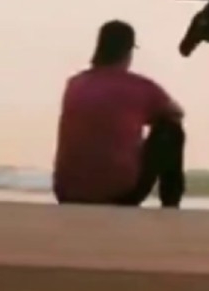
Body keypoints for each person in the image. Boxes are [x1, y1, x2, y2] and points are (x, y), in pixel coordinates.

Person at [52, 20, 188, 208]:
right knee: (170, 129)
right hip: (119, 195)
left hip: (68, 194)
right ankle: (171, 204)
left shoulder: (75, 84)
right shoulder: (141, 87)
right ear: (128, 52)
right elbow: (177, 113)